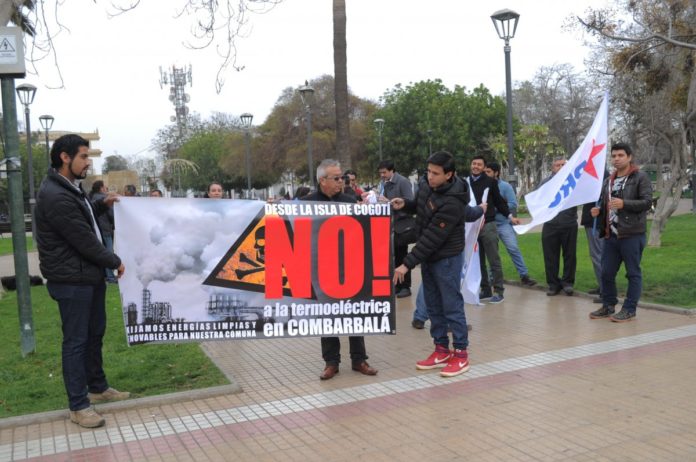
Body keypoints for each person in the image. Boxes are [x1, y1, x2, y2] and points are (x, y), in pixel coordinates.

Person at [35, 134, 129, 429]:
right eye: (84, 157)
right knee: (76, 342)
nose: (88, 163)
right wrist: (115, 261)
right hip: (72, 280)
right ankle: (78, 406)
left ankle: (98, 388)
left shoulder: (71, 189)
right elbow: (83, 239)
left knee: (94, 334)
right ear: (65, 157)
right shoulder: (55, 194)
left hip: (87, 277)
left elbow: (86, 218)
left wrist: (104, 204)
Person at [392, 151, 484, 377]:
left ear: (449, 175)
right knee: (433, 305)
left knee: (451, 305)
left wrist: (407, 264)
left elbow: (432, 237)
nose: (429, 176)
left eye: (435, 173)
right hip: (430, 258)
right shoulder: (426, 184)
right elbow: (423, 208)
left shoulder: (453, 201)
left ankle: (461, 354)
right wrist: (406, 204)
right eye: (428, 171)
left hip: (447, 258)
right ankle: (441, 349)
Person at [302, 159, 378, 380]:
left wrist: (366, 214)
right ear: (322, 180)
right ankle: (331, 362)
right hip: (321, 268)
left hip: (349, 267)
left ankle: (359, 359)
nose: (341, 182)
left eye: (342, 177)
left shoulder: (349, 200)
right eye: (336, 178)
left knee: (355, 312)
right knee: (327, 315)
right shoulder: (306, 203)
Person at [590, 143, 652, 322]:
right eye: (614, 156)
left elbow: (647, 202)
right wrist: (598, 211)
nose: (616, 159)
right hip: (612, 235)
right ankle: (608, 305)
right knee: (606, 272)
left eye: (620, 155)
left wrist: (625, 204)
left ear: (629, 157)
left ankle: (629, 309)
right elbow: (607, 205)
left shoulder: (640, 177)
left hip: (632, 234)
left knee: (633, 273)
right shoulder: (608, 180)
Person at [467, 156, 519, 304]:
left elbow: (499, 203)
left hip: (488, 225)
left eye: (479, 164)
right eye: (474, 163)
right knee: (478, 260)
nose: (476, 166)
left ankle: (498, 290)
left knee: (493, 259)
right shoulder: (465, 183)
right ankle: (485, 289)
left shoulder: (490, 182)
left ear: (484, 167)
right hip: (472, 226)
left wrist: (510, 217)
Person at [484, 162, 536, 287]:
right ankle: (492, 278)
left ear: (496, 173)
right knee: (492, 253)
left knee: (513, 248)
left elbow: (512, 203)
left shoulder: (505, 186)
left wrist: (495, 208)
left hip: (503, 224)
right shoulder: (483, 186)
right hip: (488, 224)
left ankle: (524, 275)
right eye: (484, 172)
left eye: (488, 171)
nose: (485, 174)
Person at [539, 158, 578, 296]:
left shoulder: (574, 181)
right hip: (550, 224)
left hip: (569, 223)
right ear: (552, 168)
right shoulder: (545, 183)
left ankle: (567, 283)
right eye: (557, 165)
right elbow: (539, 200)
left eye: (563, 165)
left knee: (570, 255)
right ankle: (553, 284)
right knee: (550, 256)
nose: (561, 167)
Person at [377, 159, 415, 298]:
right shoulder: (384, 183)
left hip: (402, 226)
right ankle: (397, 285)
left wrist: (390, 203)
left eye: (384, 172)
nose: (382, 175)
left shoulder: (403, 182)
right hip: (391, 226)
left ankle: (405, 286)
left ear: (392, 170)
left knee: (402, 256)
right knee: (394, 257)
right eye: (380, 172)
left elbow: (409, 202)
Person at [88, 181, 117, 283]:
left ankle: (105, 275)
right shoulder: (103, 199)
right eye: (105, 187)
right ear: (101, 188)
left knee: (101, 252)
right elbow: (111, 214)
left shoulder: (91, 198)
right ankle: (110, 277)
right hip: (105, 229)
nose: (107, 188)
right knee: (108, 252)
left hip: (97, 230)